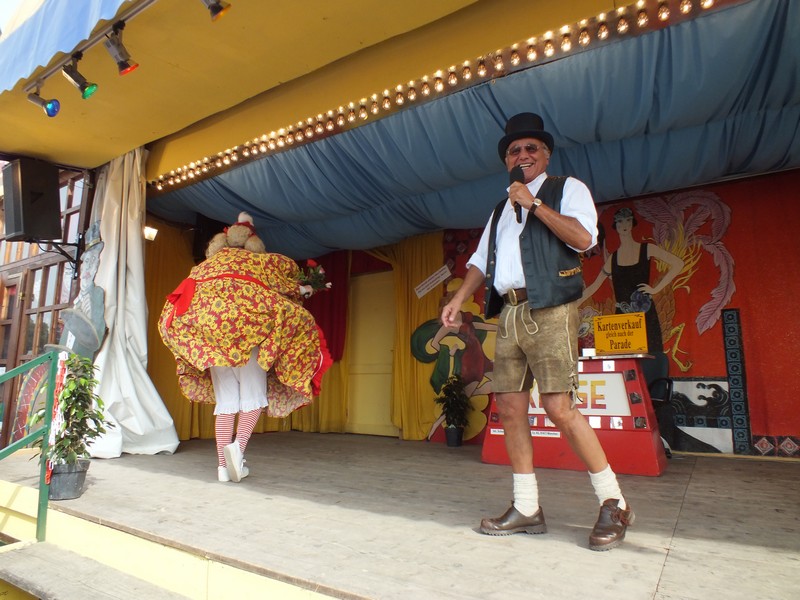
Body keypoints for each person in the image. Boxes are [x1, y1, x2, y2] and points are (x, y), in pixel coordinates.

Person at [441, 113, 634, 550]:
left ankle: (614, 502)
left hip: (551, 307)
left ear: (545, 154)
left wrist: (534, 203)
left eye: (531, 148)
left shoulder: (566, 189)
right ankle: (527, 507)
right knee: (509, 407)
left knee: (557, 406)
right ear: (506, 161)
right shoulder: (499, 209)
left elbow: (585, 239)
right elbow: (479, 261)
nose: (522, 155)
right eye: (514, 150)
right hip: (509, 312)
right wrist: (457, 300)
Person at [159, 212, 332, 483]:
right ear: (252, 241)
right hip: (249, 344)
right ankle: (237, 450)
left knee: (226, 405)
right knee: (253, 398)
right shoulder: (259, 263)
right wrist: (307, 289)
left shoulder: (205, 267)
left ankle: (221, 468)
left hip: (215, 347)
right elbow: (287, 286)